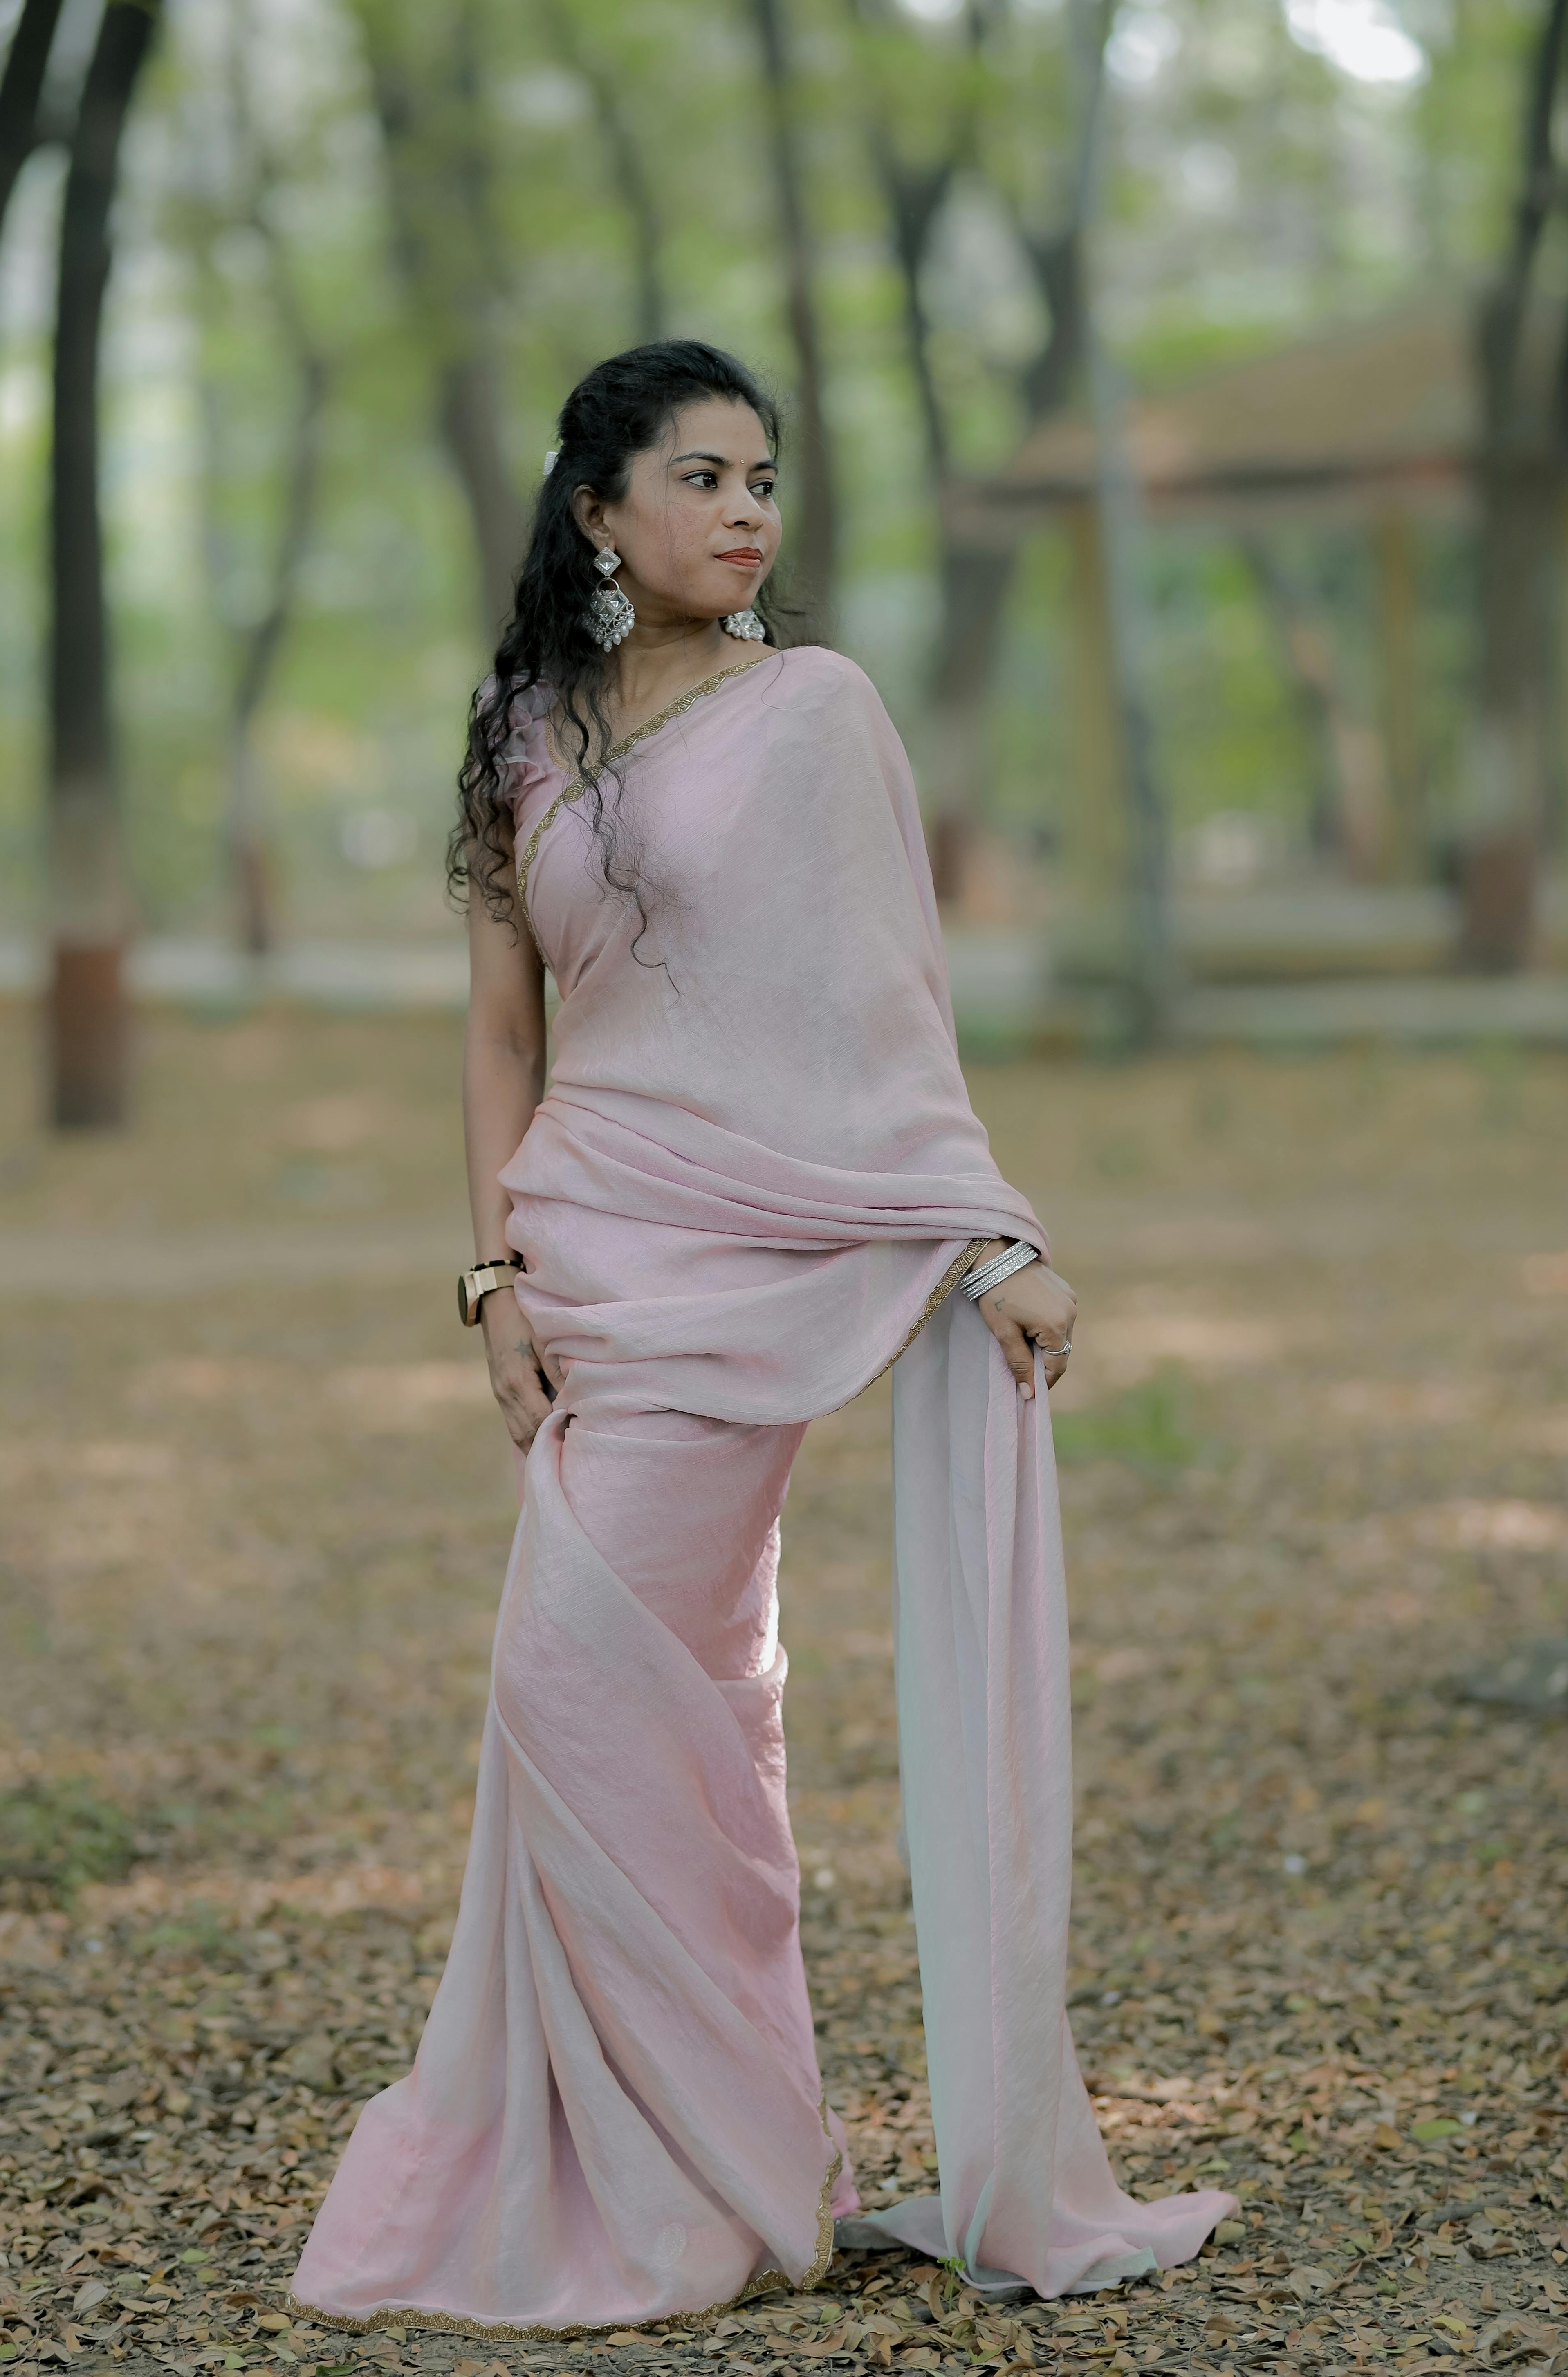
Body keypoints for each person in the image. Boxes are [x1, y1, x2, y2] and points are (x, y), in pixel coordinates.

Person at [291, 342, 1232, 2340]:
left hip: (744, 1267)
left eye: (763, 481)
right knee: (668, 1709)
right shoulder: (526, 730)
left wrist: (982, 1239)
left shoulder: (815, 714)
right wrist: (491, 1284)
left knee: (577, 1681)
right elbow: (499, 1032)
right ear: (597, 511)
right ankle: (705, 2167)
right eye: (702, 477)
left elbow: (880, 1010)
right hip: (584, 1259)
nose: (745, 514)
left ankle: (697, 2173)